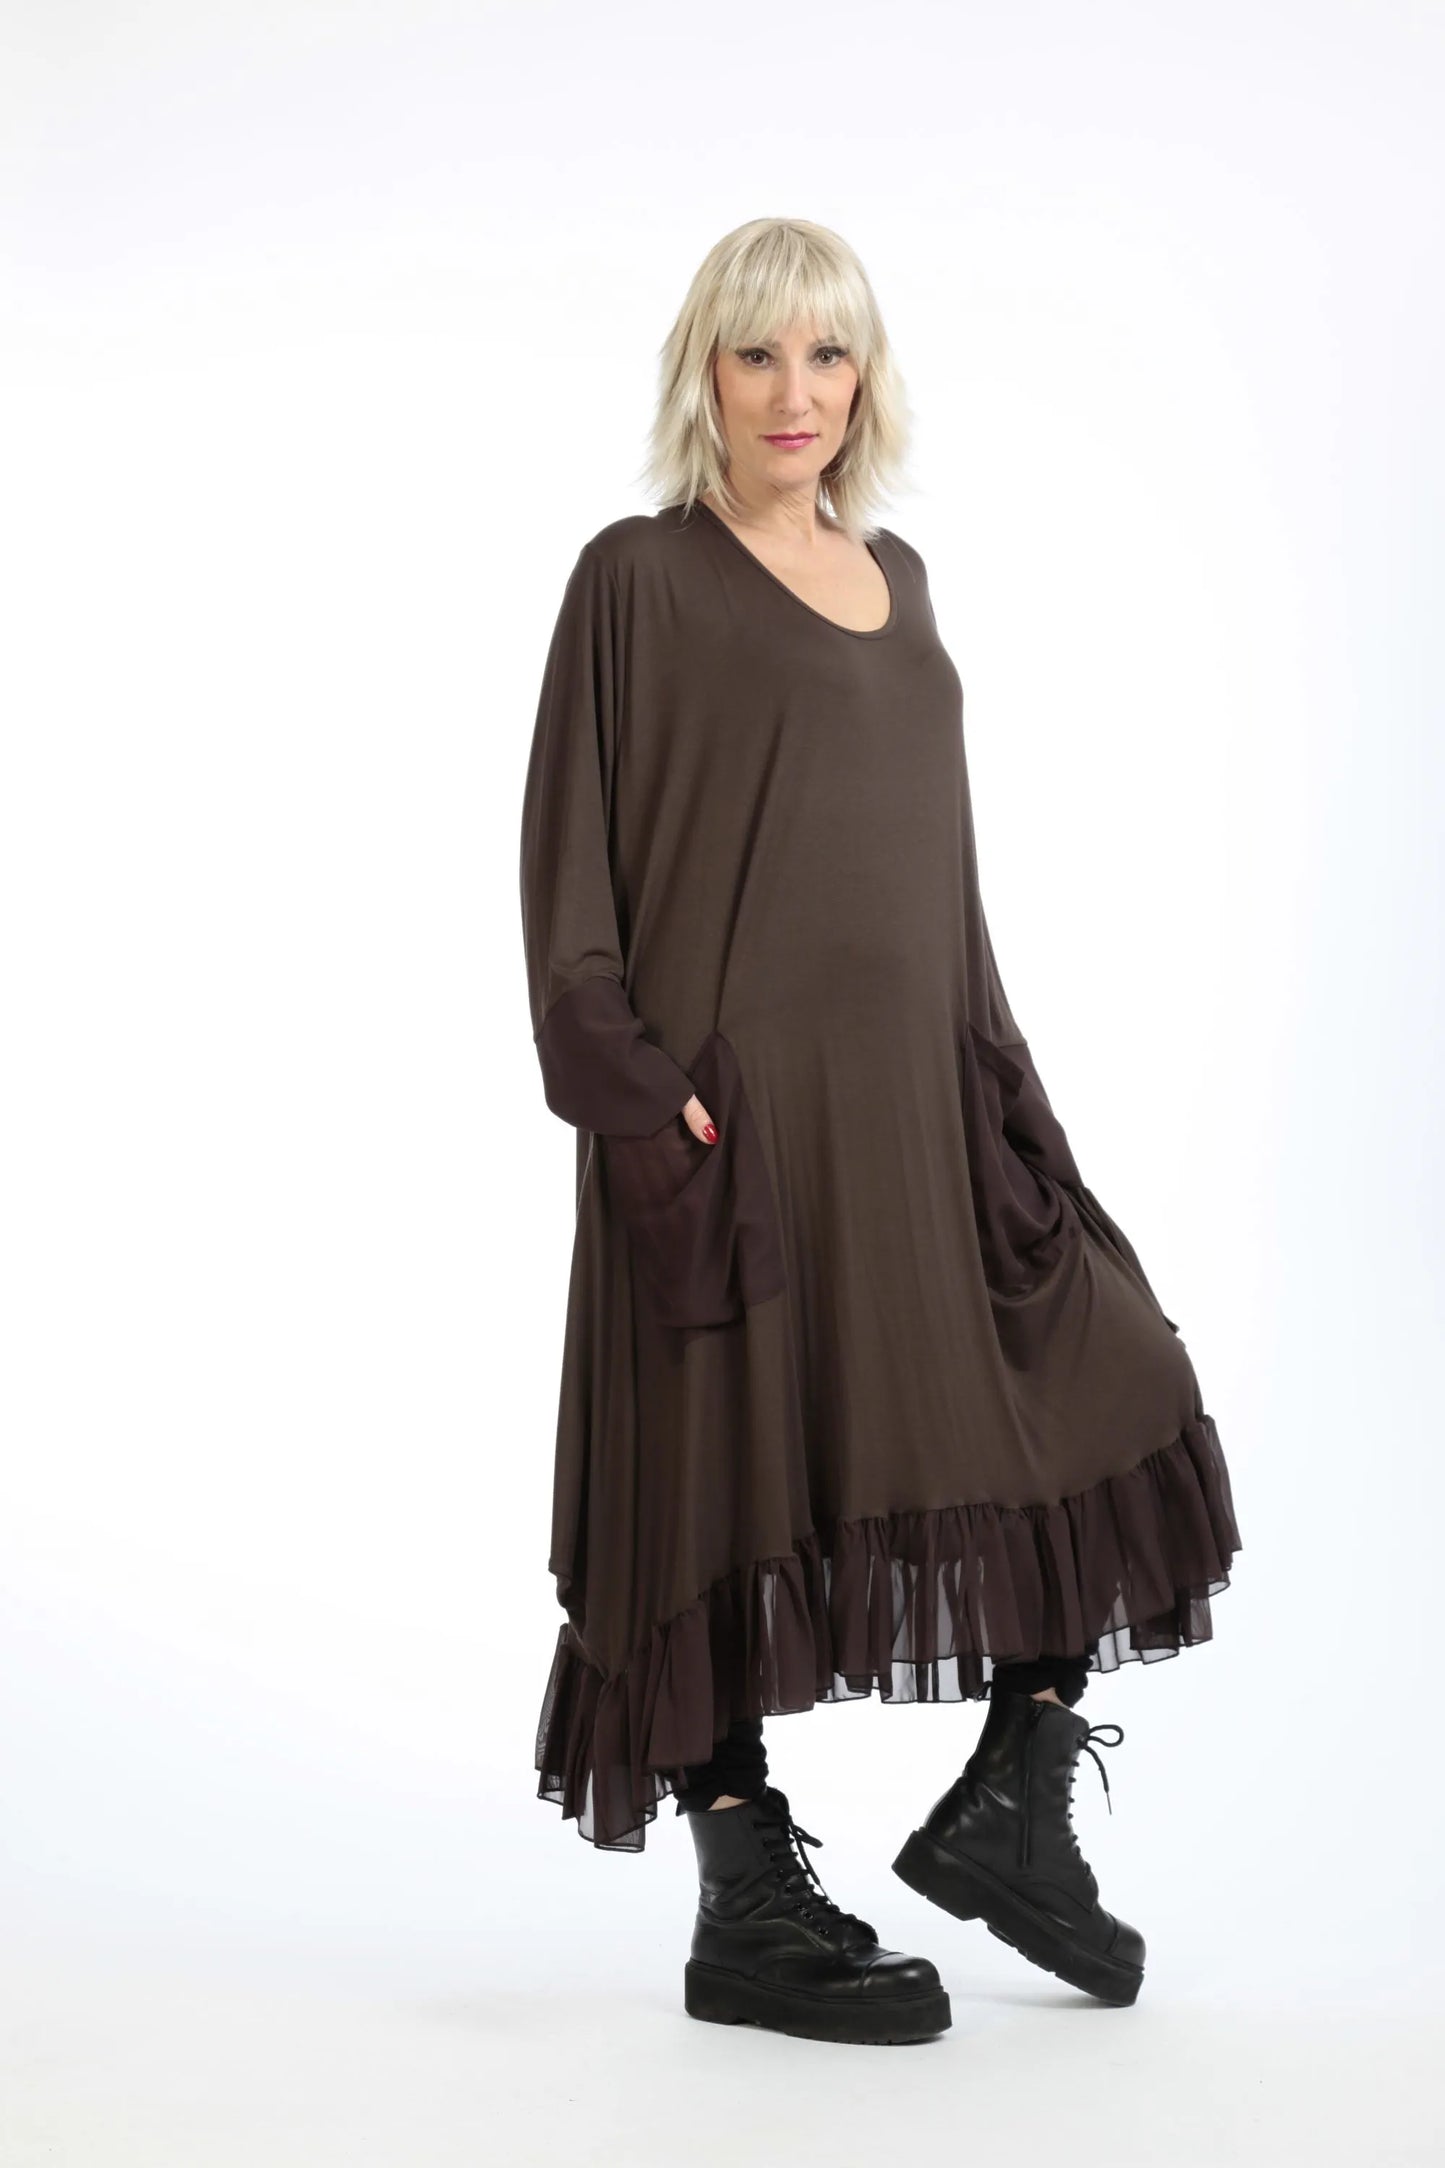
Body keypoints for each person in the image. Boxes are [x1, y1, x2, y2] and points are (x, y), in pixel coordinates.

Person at [517, 216, 1242, 2046]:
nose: (795, 392)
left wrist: (999, 1089)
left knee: (1112, 1371)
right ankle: (744, 1898)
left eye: (826, 354)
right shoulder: (635, 578)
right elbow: (570, 884)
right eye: (757, 353)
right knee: (719, 1477)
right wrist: (638, 1091)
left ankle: (1011, 1807)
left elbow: (943, 882)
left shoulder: (898, 578)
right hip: (736, 1127)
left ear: (866, 375)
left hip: (919, 1105)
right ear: (705, 371)